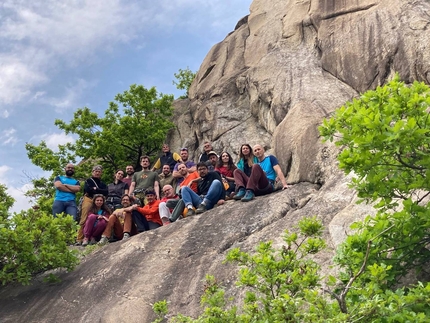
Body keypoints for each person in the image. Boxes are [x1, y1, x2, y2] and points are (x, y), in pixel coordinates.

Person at [77, 165, 109, 244]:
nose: (97, 173)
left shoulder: (102, 183)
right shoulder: (88, 181)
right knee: (85, 217)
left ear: (101, 173)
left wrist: (96, 189)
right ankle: (79, 238)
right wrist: (99, 191)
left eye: (99, 172)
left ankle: (92, 237)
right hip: (89, 199)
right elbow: (88, 190)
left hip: (99, 200)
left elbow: (106, 192)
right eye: (96, 171)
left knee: (100, 218)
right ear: (92, 172)